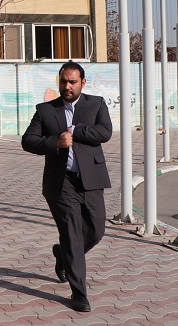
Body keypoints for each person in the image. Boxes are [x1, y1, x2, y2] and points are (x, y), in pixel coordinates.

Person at [21, 61, 112, 313]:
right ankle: (79, 293)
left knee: (96, 230)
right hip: (61, 183)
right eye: (63, 81)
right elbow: (28, 140)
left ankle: (63, 254)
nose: (67, 86)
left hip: (91, 180)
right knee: (72, 235)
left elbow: (105, 132)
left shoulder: (96, 104)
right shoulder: (46, 110)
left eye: (72, 82)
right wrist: (56, 142)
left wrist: (77, 131)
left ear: (83, 82)